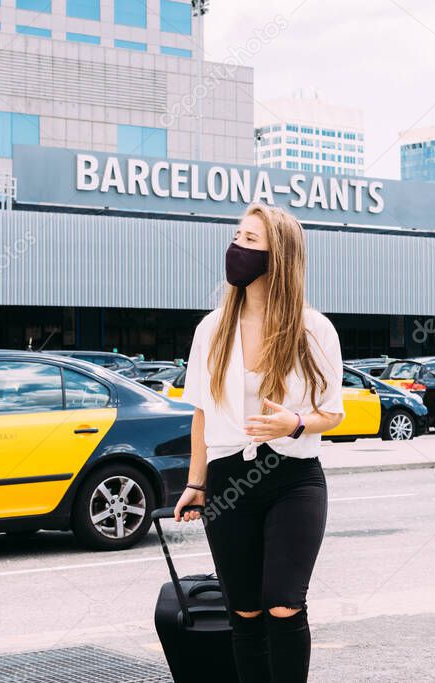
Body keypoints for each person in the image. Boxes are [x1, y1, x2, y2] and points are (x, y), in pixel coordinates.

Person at [173, 204, 345, 683]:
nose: (237, 248)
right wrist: (196, 482)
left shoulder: (314, 328)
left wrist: (294, 422)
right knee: (245, 613)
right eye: (237, 236)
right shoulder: (212, 329)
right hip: (229, 478)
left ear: (279, 255)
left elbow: (333, 412)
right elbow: (202, 414)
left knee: (284, 605)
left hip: (293, 477)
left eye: (251, 240)